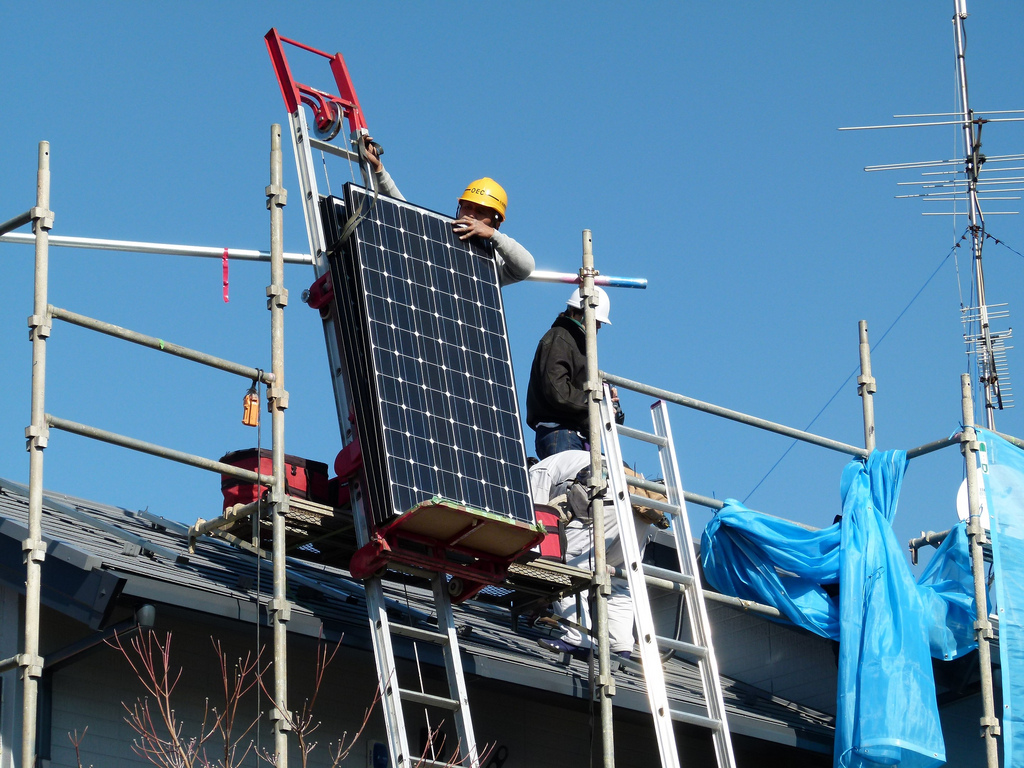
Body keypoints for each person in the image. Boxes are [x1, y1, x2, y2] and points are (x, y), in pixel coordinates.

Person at [529, 450, 663, 663]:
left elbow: (535, 522)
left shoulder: (535, 472)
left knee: (568, 568)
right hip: (640, 508)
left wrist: (539, 588)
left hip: (604, 499)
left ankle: (577, 638)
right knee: (619, 582)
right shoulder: (569, 459)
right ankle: (621, 646)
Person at [361, 136, 534, 286]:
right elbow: (402, 210)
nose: (470, 214)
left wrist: (492, 236)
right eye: (467, 207)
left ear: (495, 222)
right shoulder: (439, 234)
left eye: (480, 212)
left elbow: (526, 266)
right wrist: (378, 170)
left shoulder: (492, 261)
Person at [526, 286, 622, 460]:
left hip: (577, 435)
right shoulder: (559, 338)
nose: (599, 325)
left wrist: (609, 406)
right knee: (576, 483)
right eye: (596, 320)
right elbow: (558, 392)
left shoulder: (579, 347)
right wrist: (596, 401)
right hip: (560, 432)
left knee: (614, 478)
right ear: (578, 312)